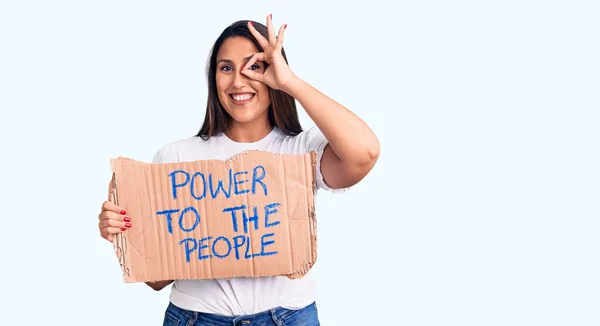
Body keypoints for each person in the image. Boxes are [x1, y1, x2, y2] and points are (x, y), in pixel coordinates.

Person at [98, 15, 380, 326]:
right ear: (213, 78)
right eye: (226, 68)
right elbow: (158, 280)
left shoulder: (302, 150)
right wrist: (125, 234)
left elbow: (364, 153)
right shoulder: (176, 157)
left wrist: (289, 82)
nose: (238, 81)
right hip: (196, 319)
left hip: (288, 318)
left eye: (254, 66)